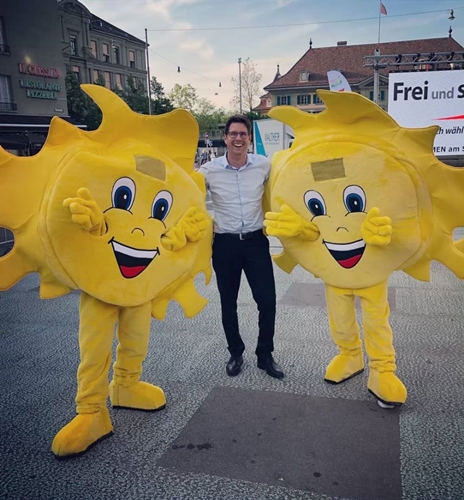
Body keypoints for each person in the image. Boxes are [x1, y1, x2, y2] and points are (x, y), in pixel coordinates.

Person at [198, 115, 284, 379]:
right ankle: (235, 353)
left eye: (243, 134)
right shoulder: (208, 171)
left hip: (256, 242)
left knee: (267, 301)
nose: (238, 138)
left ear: (249, 138)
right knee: (228, 303)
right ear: (225, 138)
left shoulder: (263, 165)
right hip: (225, 244)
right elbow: (186, 196)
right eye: (233, 134)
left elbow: (287, 183)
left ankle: (265, 354)